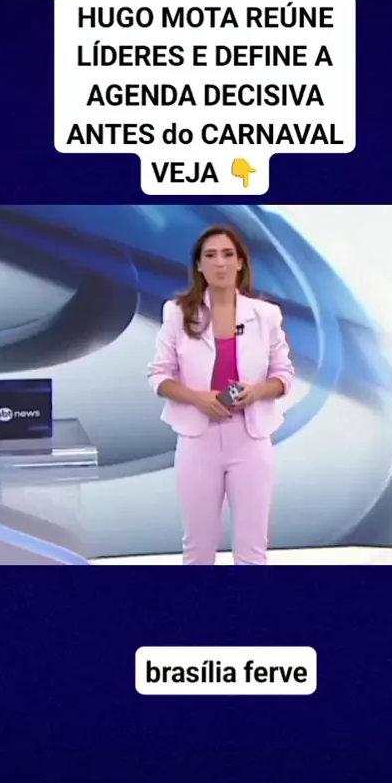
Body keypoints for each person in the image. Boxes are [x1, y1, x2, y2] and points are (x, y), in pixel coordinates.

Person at [147, 225, 295, 565]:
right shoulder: (177, 313)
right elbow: (159, 376)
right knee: (198, 549)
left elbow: (284, 374)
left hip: (250, 440)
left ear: (240, 263)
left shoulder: (265, 315)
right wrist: (198, 398)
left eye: (228, 255)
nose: (220, 263)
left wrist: (257, 391)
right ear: (199, 266)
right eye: (210, 256)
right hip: (198, 440)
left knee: (252, 549)